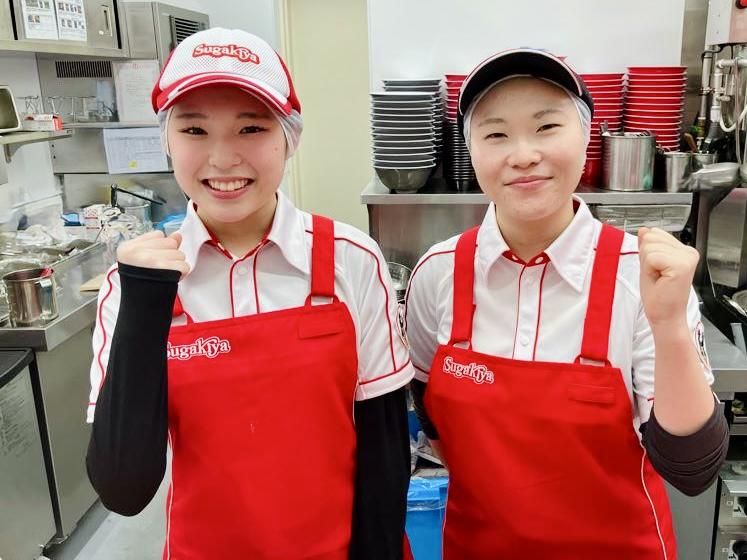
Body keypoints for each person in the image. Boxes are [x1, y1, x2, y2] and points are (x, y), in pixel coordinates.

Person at [86, 27, 414, 560]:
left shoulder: (352, 259)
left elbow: (385, 451)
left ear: (290, 137)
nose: (222, 158)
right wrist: (144, 306)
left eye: (252, 127)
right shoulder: (135, 287)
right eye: (194, 129)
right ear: (167, 140)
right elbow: (124, 488)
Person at [405, 48, 729, 558]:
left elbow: (693, 469)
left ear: (586, 136)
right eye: (495, 135)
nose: (523, 155)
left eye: (547, 127)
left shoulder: (639, 277)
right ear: (470, 151)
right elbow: (429, 408)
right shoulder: (437, 273)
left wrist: (668, 325)